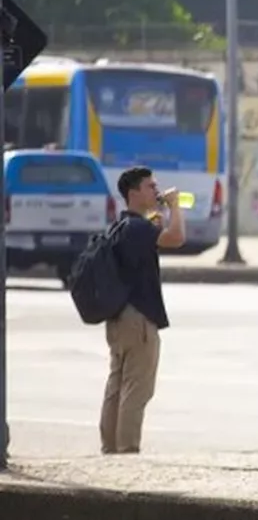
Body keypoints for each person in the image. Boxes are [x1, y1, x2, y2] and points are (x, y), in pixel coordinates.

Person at [99, 165, 186, 455]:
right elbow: (176, 238)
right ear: (134, 193)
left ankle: (110, 447)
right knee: (137, 389)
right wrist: (175, 207)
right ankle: (126, 450)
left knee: (117, 385)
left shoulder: (121, 226)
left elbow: (146, 244)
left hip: (118, 318)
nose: (157, 191)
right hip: (138, 320)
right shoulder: (138, 228)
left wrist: (154, 224)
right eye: (151, 186)